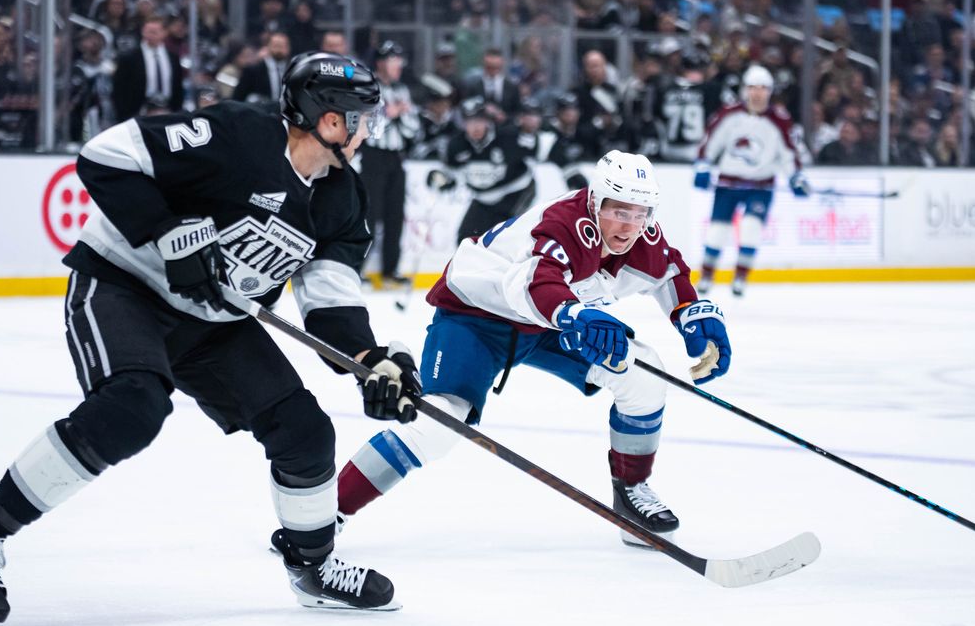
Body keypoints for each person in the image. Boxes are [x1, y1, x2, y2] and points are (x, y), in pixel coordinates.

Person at [0, 52, 423, 626]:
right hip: (126, 286)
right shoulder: (236, 136)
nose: (369, 132)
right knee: (133, 407)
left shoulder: (342, 198)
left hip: (213, 324)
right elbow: (106, 154)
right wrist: (165, 231)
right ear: (332, 121)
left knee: (305, 432)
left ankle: (312, 566)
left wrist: (369, 361)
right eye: (365, 120)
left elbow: (330, 300)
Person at [300, 151, 731, 549]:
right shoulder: (564, 223)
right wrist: (577, 315)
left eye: (640, 214)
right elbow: (536, 282)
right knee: (438, 423)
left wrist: (694, 317)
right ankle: (322, 516)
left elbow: (670, 274)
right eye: (619, 211)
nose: (630, 225)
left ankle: (631, 492)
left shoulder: (641, 234)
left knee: (643, 373)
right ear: (595, 202)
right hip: (476, 319)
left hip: (547, 323)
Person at [694, 65, 808, 297]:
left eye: (763, 88)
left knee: (751, 229)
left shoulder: (779, 120)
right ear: (745, 90)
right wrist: (703, 165)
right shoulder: (728, 114)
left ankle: (740, 277)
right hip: (728, 185)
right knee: (717, 231)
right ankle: (707, 275)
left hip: (760, 187)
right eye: (753, 88)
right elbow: (710, 143)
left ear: (770, 91)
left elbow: (788, 153)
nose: (757, 93)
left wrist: (795, 176)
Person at [430, 96, 536, 243]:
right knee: (466, 240)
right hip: (483, 198)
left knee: (503, 238)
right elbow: (448, 173)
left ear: (487, 121)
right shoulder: (456, 145)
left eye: (479, 121)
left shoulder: (508, 138)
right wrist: (441, 180)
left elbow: (534, 151)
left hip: (515, 192)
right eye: (470, 122)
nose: (475, 127)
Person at [360, 40, 420, 287]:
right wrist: (388, 114)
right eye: (393, 61)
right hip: (373, 157)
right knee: (370, 215)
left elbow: (412, 127)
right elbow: (366, 125)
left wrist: (399, 115)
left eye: (399, 61)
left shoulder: (402, 89)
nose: (398, 65)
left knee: (395, 215)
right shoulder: (368, 87)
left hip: (396, 157)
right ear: (380, 63)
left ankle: (390, 270)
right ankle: (357, 269)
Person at [111, 16, 185, 122]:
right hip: (137, 112)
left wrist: (176, 110)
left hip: (168, 111)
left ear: (164, 33)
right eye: (148, 31)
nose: (151, 35)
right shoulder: (130, 58)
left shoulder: (173, 57)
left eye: (155, 32)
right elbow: (119, 88)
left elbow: (178, 85)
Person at [231, 31, 292, 104]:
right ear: (268, 47)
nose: (279, 50)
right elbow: (238, 97)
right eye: (276, 45)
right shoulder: (253, 71)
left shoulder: (293, 71)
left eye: (282, 46)